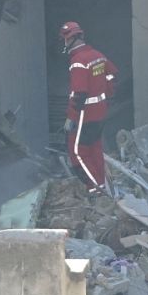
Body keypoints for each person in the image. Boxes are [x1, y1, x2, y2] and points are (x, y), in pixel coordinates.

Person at [58, 20, 116, 193]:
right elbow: (112, 75)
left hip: (85, 114)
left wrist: (71, 117)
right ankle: (102, 184)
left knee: (77, 152)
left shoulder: (78, 61)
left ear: (69, 39)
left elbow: (79, 94)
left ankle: (96, 189)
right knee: (94, 148)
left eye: (64, 39)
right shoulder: (98, 55)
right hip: (100, 111)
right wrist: (107, 98)